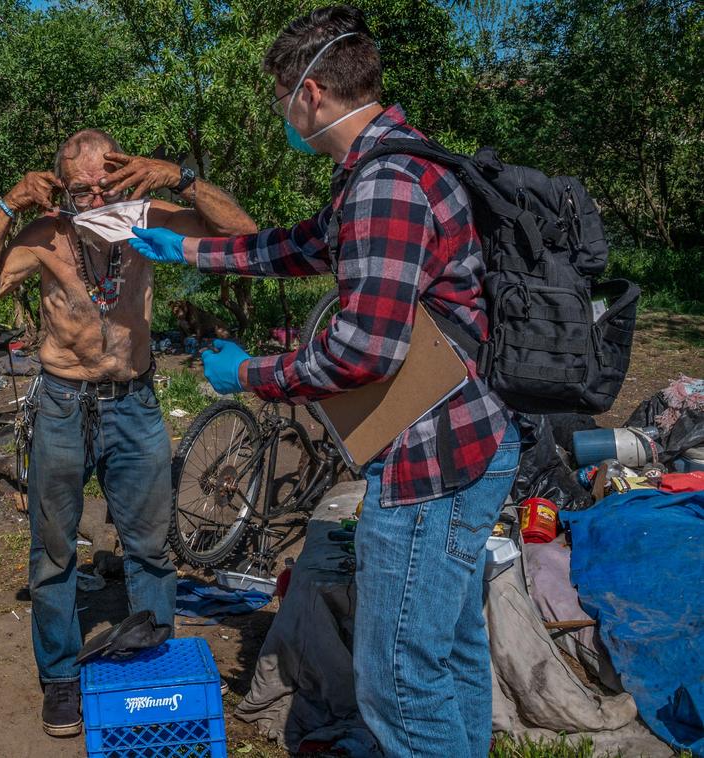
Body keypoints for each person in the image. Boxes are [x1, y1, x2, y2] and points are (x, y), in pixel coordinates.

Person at [128, 7, 518, 757]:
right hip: (466, 443)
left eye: (280, 96)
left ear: (308, 94)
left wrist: (248, 374)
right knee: (450, 652)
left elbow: (362, 354)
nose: (281, 112)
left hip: (432, 459)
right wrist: (187, 250)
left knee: (398, 679)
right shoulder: (388, 167)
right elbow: (302, 247)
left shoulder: (386, 183)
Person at [0, 129, 256, 737]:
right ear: (60, 190)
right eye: (80, 188)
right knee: (55, 549)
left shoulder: (150, 223)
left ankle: (150, 665)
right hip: (63, 404)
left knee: (149, 545)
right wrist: (8, 206)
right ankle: (62, 678)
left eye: (106, 183)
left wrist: (180, 176)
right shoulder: (45, 237)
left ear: (124, 175)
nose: (96, 197)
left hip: (135, 403)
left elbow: (246, 239)